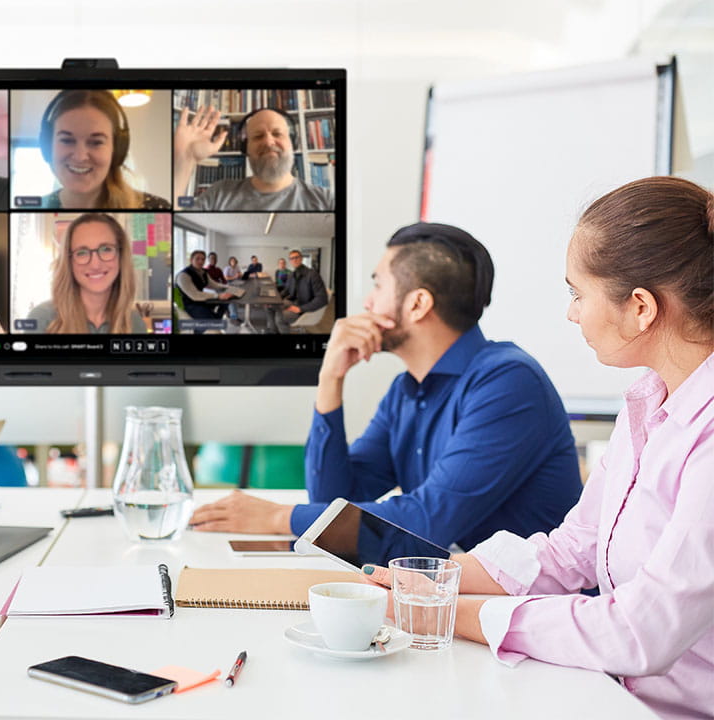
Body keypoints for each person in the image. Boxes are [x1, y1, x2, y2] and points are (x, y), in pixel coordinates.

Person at [366, 177, 714, 720]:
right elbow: (571, 550)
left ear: (641, 308)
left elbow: (642, 631)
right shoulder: (648, 401)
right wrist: (437, 582)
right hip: (609, 694)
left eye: (577, 293)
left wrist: (444, 613)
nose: (571, 314)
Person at [192, 222, 582, 551]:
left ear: (417, 305)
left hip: (534, 618)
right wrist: (330, 379)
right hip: (464, 608)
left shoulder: (508, 383)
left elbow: (426, 525)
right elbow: (334, 504)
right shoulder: (407, 390)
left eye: (378, 285)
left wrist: (279, 518)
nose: (367, 301)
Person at [173, 106, 333, 211]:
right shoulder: (218, 193)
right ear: (246, 149)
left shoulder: (326, 201)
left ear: (293, 143)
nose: (269, 142)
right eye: (258, 136)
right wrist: (187, 158)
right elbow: (178, 208)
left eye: (277, 133)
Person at [36, 90, 169, 210]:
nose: (80, 156)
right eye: (67, 140)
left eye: (96, 142)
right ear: (48, 146)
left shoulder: (156, 208)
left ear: (116, 150)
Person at [27, 213, 147, 333]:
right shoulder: (43, 319)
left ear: (121, 256)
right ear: (69, 262)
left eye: (106, 249)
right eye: (82, 253)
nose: (95, 265)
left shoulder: (135, 323)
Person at [272, 248, 329, 332]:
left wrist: (301, 309)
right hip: (293, 302)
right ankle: (274, 330)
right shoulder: (292, 274)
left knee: (280, 317)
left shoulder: (312, 275)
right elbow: (286, 290)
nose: (294, 260)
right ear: (290, 261)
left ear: (301, 258)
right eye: (292, 258)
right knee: (270, 306)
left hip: (304, 307)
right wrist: (274, 300)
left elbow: (322, 299)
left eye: (296, 257)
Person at [175, 249, 234, 325]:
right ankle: (212, 321)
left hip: (199, 300)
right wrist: (218, 296)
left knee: (226, 301)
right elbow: (195, 295)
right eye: (197, 259)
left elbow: (214, 284)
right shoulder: (183, 275)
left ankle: (214, 319)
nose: (200, 261)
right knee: (213, 321)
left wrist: (229, 287)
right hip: (188, 304)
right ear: (191, 260)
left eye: (203, 259)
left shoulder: (203, 272)